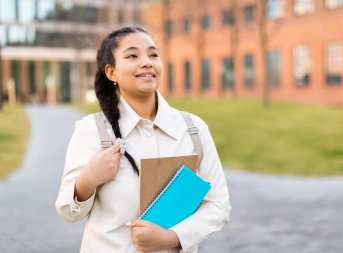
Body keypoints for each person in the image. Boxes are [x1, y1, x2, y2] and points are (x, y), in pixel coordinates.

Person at [55, 26, 231, 253]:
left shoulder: (193, 129)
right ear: (111, 72)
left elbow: (218, 206)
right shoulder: (92, 130)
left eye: (153, 54)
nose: (147, 62)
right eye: (132, 56)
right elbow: (67, 212)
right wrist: (88, 180)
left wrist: (171, 237)